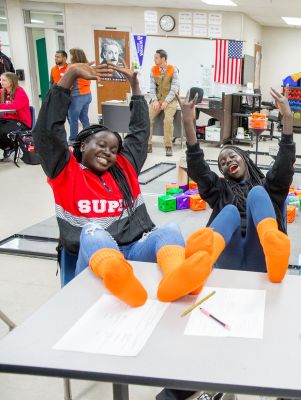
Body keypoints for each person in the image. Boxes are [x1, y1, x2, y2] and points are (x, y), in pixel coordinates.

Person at [32, 62, 211, 305]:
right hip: (94, 258)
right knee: (92, 232)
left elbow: (139, 132)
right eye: (101, 145)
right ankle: (117, 274)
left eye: (114, 149)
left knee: (169, 230)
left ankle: (175, 277)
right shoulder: (65, 171)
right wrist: (70, 76)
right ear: (83, 145)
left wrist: (136, 88)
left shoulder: (124, 168)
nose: (108, 152)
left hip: (134, 250)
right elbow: (47, 133)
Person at [156, 89, 294, 400]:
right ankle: (200, 262)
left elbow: (284, 164)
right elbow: (197, 167)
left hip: (263, 261)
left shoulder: (269, 189)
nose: (228, 160)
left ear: (245, 159)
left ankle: (272, 239)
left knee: (258, 197)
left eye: (233, 155)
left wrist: (286, 119)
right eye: (223, 160)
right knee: (230, 211)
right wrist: (189, 123)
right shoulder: (219, 191)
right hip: (228, 259)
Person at [147, 49, 179, 156]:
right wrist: (155, 100)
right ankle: (148, 144)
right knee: (148, 119)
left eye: (156, 57)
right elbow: (152, 87)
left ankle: (168, 146)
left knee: (168, 120)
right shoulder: (153, 69)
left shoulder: (173, 69)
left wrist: (166, 101)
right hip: (157, 100)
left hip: (170, 100)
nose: (154, 59)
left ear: (163, 59)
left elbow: (175, 88)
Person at [0, 72, 31, 160]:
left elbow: (14, 107)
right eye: (0, 80)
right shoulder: (3, 91)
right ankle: (8, 148)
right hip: (7, 119)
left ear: (11, 81)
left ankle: (11, 146)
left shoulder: (20, 92)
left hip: (22, 122)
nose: (1, 82)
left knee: (2, 130)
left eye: (4, 80)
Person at [66, 48, 92, 144]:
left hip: (77, 96)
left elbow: (69, 82)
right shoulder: (87, 66)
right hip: (87, 95)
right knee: (84, 117)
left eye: (71, 55)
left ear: (75, 56)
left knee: (73, 119)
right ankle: (89, 136)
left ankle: (72, 140)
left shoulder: (72, 67)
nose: (70, 57)